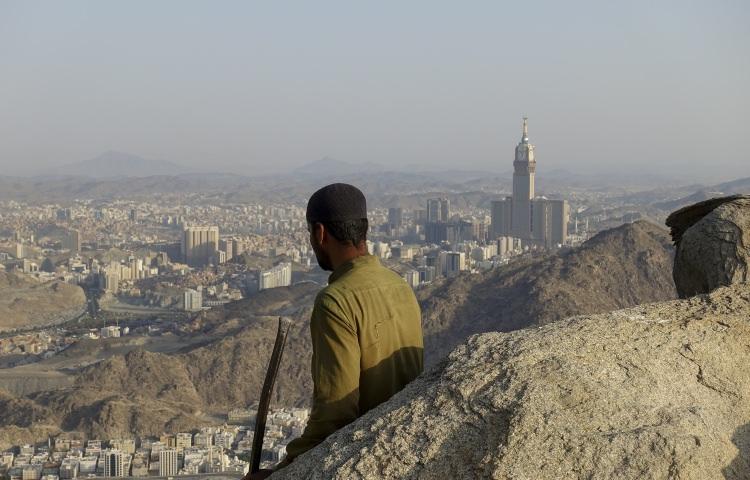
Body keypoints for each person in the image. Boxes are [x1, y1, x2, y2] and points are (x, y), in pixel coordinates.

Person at [246, 183, 424, 479]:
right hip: (406, 450)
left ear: (320, 233)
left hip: (365, 460)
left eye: (310, 235)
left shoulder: (336, 300)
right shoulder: (400, 286)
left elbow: (335, 413)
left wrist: (283, 472)